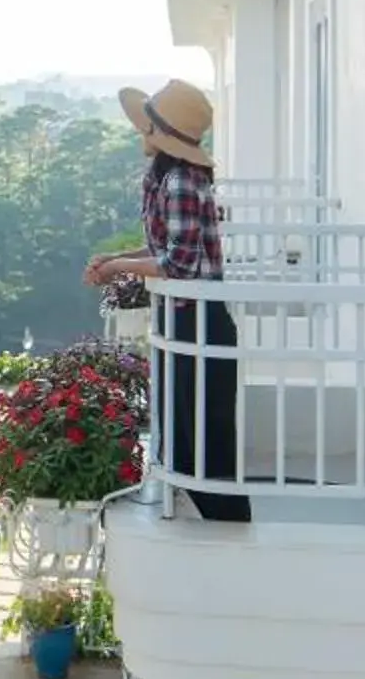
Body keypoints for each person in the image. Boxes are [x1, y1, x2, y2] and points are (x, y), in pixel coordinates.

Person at [84, 79, 249, 522]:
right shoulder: (171, 177)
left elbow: (176, 263)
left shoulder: (178, 180)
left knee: (206, 426)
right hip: (187, 314)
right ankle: (202, 507)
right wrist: (116, 258)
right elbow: (163, 250)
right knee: (188, 419)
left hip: (200, 316)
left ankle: (221, 519)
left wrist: (117, 268)